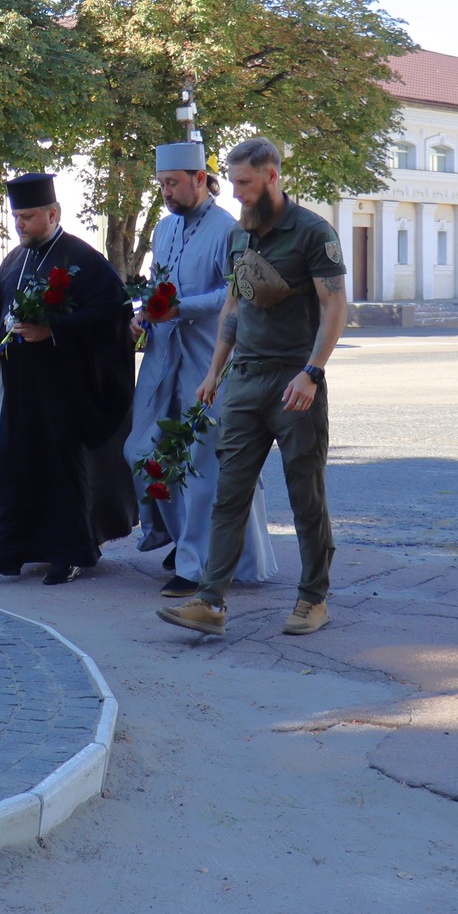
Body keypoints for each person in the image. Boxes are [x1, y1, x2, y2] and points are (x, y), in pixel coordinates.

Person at [158, 137, 349, 637]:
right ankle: (210, 602)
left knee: (305, 495)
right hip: (244, 380)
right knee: (229, 493)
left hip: (294, 380)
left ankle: (313, 599)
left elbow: (334, 305)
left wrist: (313, 372)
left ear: (271, 176)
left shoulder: (312, 232)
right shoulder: (240, 236)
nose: (236, 192)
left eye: (244, 183)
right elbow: (233, 306)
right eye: (234, 182)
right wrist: (214, 372)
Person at [0, 171, 136, 585]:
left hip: (64, 386)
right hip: (20, 382)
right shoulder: (15, 259)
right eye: (16, 217)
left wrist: (53, 330)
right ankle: (7, 550)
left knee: (62, 468)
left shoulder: (83, 258)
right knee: (14, 463)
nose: (19, 225)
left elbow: (111, 313)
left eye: (27, 217)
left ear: (53, 214)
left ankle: (69, 554)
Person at [126, 142, 276, 598]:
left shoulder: (227, 229)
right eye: (161, 185)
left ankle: (195, 566)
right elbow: (158, 285)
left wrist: (180, 308)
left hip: (209, 361)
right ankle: (181, 540)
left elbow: (232, 295)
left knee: (199, 465)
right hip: (162, 357)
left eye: (173, 183)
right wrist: (144, 313)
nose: (166, 192)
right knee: (140, 450)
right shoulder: (163, 228)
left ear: (198, 178)